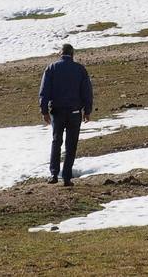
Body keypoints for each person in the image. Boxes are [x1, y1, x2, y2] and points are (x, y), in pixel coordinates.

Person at [39, 42, 94, 186]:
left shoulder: (51, 68)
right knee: (71, 144)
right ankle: (67, 177)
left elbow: (44, 91)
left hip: (57, 112)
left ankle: (54, 174)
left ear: (60, 53)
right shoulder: (80, 69)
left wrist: (44, 111)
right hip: (75, 112)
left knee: (56, 141)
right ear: (73, 54)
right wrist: (87, 111)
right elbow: (87, 92)